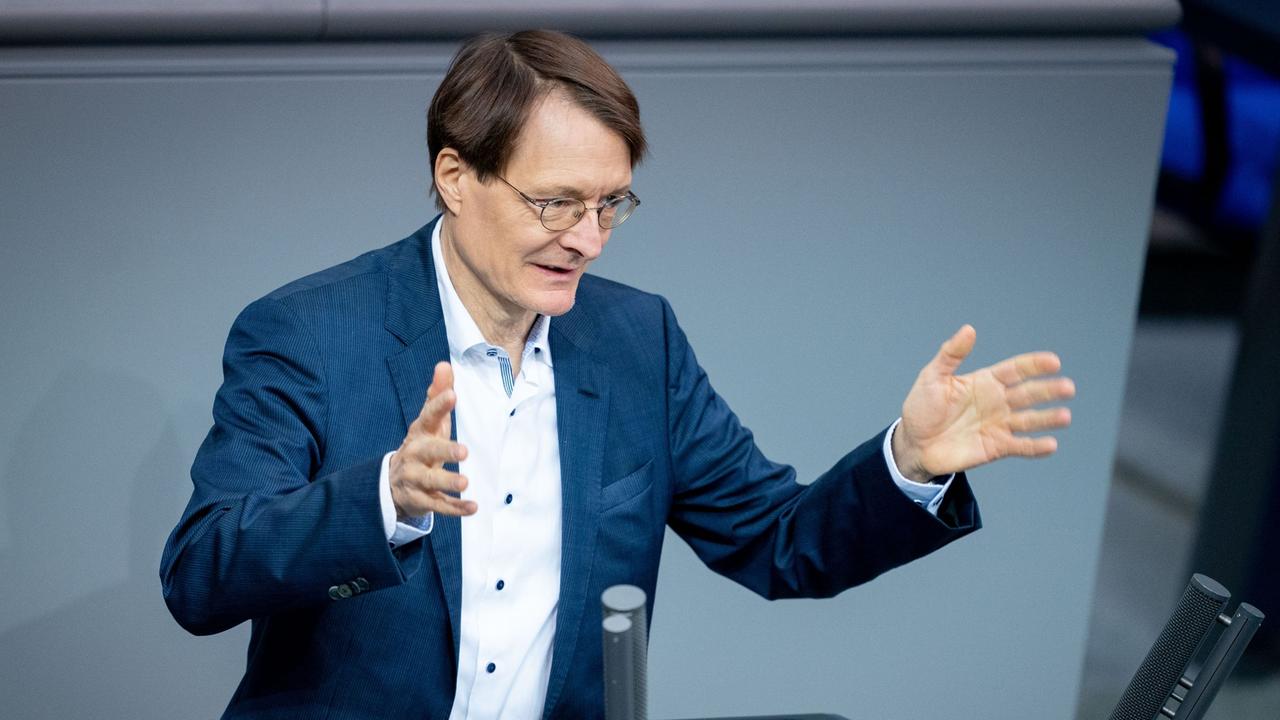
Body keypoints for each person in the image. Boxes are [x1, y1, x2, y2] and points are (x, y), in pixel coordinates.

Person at [160, 29, 1075, 720]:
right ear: (455, 176)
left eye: (610, 205)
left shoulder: (639, 341)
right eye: (555, 202)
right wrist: (383, 499)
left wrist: (908, 463)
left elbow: (778, 539)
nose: (588, 240)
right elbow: (201, 574)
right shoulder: (309, 333)